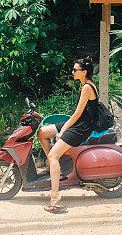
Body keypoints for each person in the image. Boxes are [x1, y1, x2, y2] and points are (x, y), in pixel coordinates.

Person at [37, 56, 97, 212]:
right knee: (42, 133)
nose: (72, 72)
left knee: (52, 155)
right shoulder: (85, 85)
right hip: (77, 123)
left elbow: (77, 114)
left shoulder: (87, 88)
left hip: (81, 128)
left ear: (84, 72)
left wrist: (63, 130)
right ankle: (54, 166)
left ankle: (55, 195)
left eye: (75, 70)